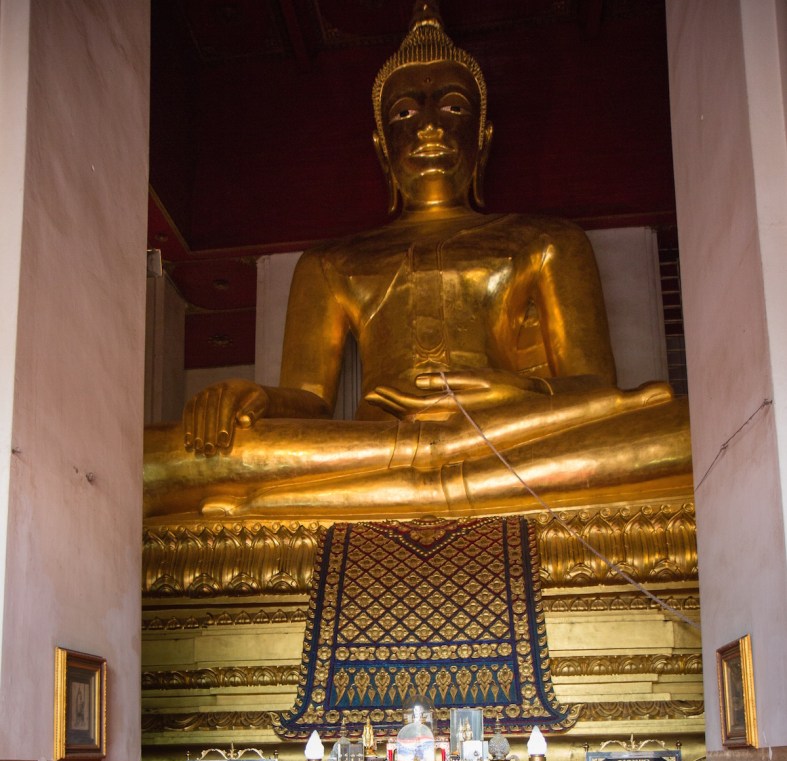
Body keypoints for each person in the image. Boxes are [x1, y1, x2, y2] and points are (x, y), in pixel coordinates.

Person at [144, 2, 692, 521]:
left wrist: (520, 392)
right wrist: (254, 396)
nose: (430, 127)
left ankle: (357, 489)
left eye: (453, 107)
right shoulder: (331, 262)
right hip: (377, 442)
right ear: (383, 147)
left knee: (686, 426)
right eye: (406, 112)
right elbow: (309, 404)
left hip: (506, 429)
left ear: (483, 136)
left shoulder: (546, 239)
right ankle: (442, 473)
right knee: (154, 455)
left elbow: (596, 390)